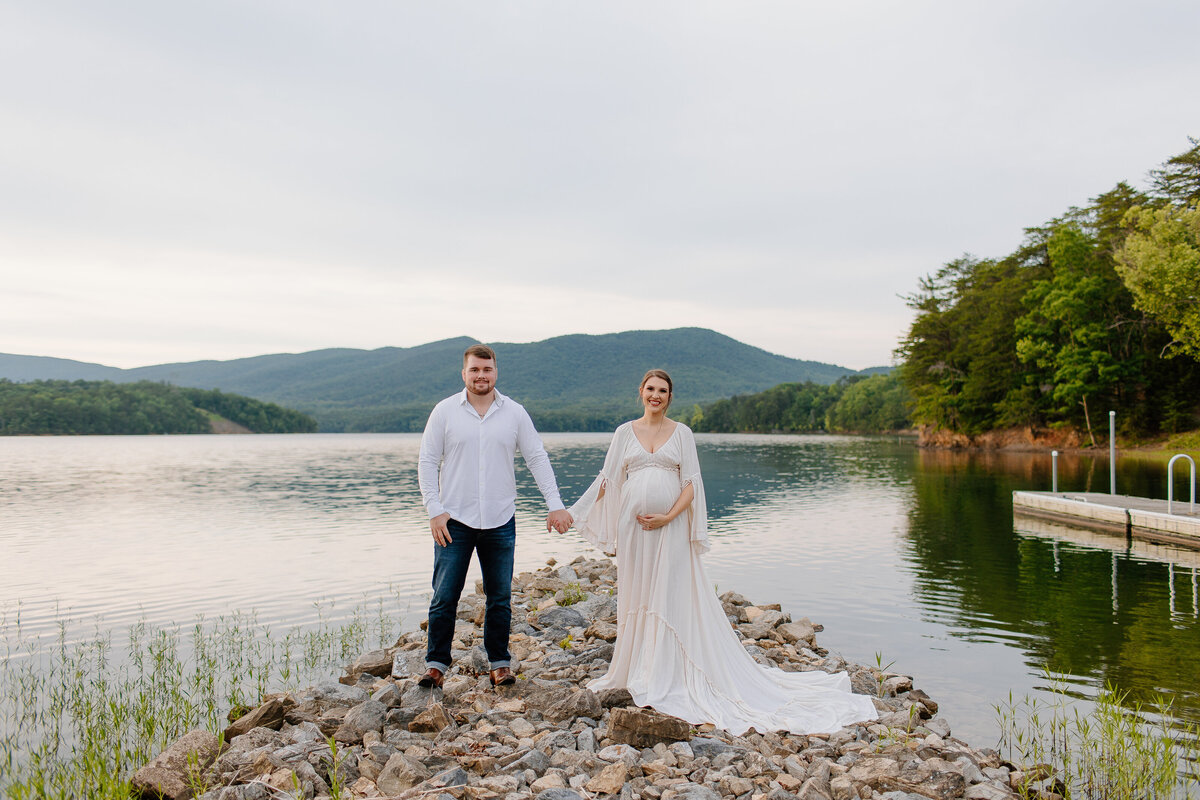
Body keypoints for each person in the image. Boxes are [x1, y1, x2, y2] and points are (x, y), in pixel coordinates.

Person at [568, 369, 877, 734]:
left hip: (670, 528)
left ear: (670, 396)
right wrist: (573, 512)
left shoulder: (681, 433)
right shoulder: (624, 432)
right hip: (634, 529)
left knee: (670, 593)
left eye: (662, 391)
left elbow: (691, 484)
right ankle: (637, 667)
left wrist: (668, 516)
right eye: (650, 389)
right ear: (641, 392)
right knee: (638, 594)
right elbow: (608, 480)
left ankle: (670, 672)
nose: (656, 395)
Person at [418, 344, 573, 689]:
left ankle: (499, 663)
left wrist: (555, 503)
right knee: (445, 595)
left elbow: (537, 458)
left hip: (501, 520)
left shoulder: (515, 413)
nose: (481, 376)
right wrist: (434, 511)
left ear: (495, 372)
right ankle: (436, 665)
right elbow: (427, 462)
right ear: (464, 373)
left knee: (499, 596)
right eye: (474, 370)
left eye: (486, 370)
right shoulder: (444, 412)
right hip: (453, 520)